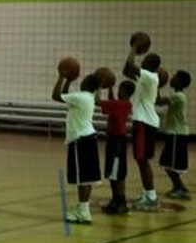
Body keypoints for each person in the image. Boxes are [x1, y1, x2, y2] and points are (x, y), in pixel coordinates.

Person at [53, 71, 103, 224]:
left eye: (85, 79)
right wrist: (68, 81)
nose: (82, 81)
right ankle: (83, 209)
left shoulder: (81, 96)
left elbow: (56, 96)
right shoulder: (88, 97)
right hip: (89, 138)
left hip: (80, 139)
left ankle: (83, 211)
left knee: (82, 178)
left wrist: (62, 76)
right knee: (87, 177)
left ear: (87, 84)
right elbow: (65, 95)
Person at [123, 52, 163, 212]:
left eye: (145, 60)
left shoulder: (150, 76)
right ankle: (148, 193)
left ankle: (151, 197)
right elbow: (126, 71)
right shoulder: (146, 77)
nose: (142, 62)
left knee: (142, 159)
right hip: (146, 121)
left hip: (144, 122)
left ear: (151, 65)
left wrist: (133, 48)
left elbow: (129, 65)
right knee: (142, 159)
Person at [98, 80, 135, 214]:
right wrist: (110, 88)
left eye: (120, 88)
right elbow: (112, 101)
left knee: (117, 174)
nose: (118, 91)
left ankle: (122, 202)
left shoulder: (119, 104)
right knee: (113, 173)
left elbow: (98, 101)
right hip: (117, 140)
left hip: (117, 142)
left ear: (124, 91)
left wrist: (98, 85)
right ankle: (115, 200)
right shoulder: (124, 104)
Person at [158, 70, 192, 199]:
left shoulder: (178, 96)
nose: (171, 78)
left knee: (170, 164)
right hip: (176, 133)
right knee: (167, 163)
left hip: (177, 134)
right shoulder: (177, 95)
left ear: (180, 82)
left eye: (175, 76)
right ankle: (178, 186)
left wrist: (158, 84)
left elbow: (159, 101)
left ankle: (180, 187)